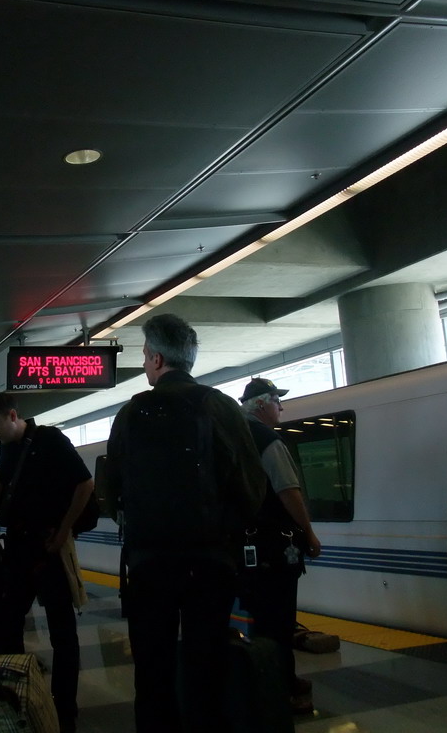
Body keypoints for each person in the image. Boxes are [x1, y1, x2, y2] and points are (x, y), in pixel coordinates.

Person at [106, 313, 267, 733]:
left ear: (157, 360)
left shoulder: (129, 414)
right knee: (204, 667)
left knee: (152, 671)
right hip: (210, 563)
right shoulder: (220, 407)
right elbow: (251, 486)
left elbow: (110, 491)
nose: (144, 364)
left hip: (148, 564)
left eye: (144, 356)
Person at [0, 392, 95, 733]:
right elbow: (1, 482)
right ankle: (16, 695)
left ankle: (66, 708)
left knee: (63, 633)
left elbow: (85, 484)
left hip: (48, 547)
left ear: (13, 415)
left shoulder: (51, 440)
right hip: (17, 548)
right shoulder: (7, 446)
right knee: (8, 625)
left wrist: (63, 532)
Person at [238, 377, 322, 715]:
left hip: (243, 548)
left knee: (259, 620)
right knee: (279, 621)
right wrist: (309, 533)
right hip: (275, 548)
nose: (281, 408)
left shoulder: (231, 436)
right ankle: (282, 688)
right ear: (260, 404)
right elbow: (288, 490)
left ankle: (264, 681)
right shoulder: (266, 440)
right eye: (277, 400)